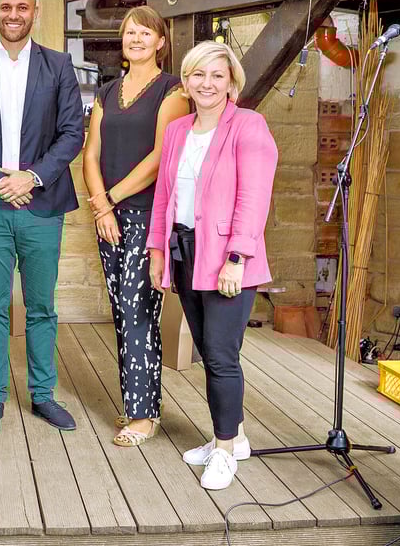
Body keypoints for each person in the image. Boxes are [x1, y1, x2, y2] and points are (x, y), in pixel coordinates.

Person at [0, 0, 84, 436]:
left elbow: (72, 133)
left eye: (21, 7)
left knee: (42, 306)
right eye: (6, 6)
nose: (13, 14)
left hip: (42, 203)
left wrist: (31, 177)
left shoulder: (60, 65)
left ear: (35, 12)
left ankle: (43, 396)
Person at [146, 41, 277, 490]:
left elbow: (253, 199)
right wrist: (157, 253)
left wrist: (237, 259)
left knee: (221, 356)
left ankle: (223, 452)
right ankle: (233, 436)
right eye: (199, 75)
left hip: (226, 259)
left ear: (231, 82)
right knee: (206, 350)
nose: (207, 83)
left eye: (217, 75)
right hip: (184, 254)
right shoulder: (179, 130)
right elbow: (164, 197)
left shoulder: (249, 126)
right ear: (186, 81)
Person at [81, 6, 190, 447]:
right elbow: (90, 154)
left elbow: (162, 156)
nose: (136, 39)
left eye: (145, 32)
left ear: (161, 42)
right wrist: (101, 208)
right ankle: (139, 404)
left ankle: (144, 414)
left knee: (138, 308)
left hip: (147, 213)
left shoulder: (173, 90)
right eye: (129, 33)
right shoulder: (107, 91)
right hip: (107, 215)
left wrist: (112, 199)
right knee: (121, 311)